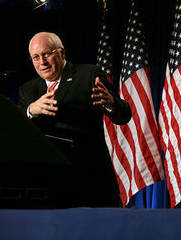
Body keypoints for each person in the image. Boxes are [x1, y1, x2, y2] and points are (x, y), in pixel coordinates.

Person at [18, 31, 131, 207]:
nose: (42, 62)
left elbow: (124, 115)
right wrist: (31, 110)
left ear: (61, 53)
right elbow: (16, 127)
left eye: (47, 54)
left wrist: (111, 103)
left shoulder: (88, 75)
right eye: (36, 57)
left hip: (89, 178)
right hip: (46, 183)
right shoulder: (28, 90)